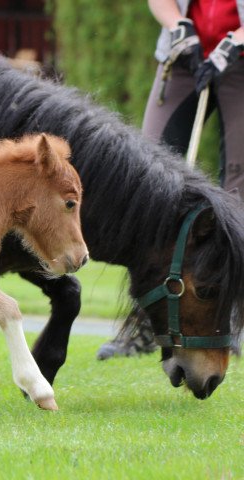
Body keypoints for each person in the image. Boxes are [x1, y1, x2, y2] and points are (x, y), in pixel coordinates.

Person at [97, 0, 244, 360]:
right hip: (183, 60)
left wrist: (234, 42)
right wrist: (181, 28)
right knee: (145, 180)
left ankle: (228, 321)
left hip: (240, 66)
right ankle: (143, 326)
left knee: (238, 184)